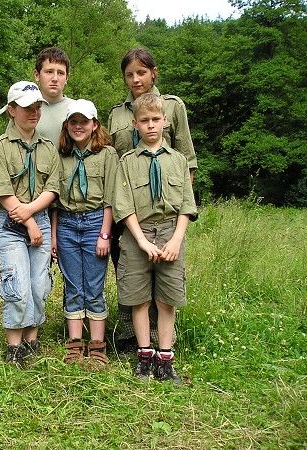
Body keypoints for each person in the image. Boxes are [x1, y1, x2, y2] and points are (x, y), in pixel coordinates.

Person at [107, 48, 198, 355]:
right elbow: (113, 160)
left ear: (153, 72)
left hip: (165, 210)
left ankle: (162, 340)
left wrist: (178, 218)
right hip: (128, 208)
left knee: (165, 276)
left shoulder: (172, 106)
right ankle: (133, 339)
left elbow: (186, 160)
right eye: (129, 74)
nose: (136, 79)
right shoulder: (117, 114)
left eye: (141, 72)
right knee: (129, 272)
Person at [0, 81, 59, 366]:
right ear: (11, 110)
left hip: (37, 215)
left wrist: (32, 215)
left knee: (39, 283)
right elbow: (3, 192)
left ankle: (32, 338)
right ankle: (14, 346)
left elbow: (52, 189)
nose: (34, 112)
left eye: (38, 106)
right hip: (9, 220)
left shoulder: (48, 148)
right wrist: (29, 223)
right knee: (17, 282)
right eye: (28, 107)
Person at [50, 99, 119, 366]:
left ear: (94, 125)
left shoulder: (107, 155)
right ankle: (75, 345)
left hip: (94, 223)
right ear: (67, 125)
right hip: (66, 224)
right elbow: (55, 200)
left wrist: (105, 234)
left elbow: (111, 198)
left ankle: (98, 346)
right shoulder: (61, 155)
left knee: (94, 286)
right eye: (73, 122)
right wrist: (55, 236)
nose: (79, 127)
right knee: (72, 287)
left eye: (84, 122)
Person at [7, 47, 75, 146]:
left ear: (67, 78)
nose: (55, 78)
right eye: (49, 72)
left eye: (60, 73)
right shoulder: (23, 110)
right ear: (37, 75)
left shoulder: (78, 110)